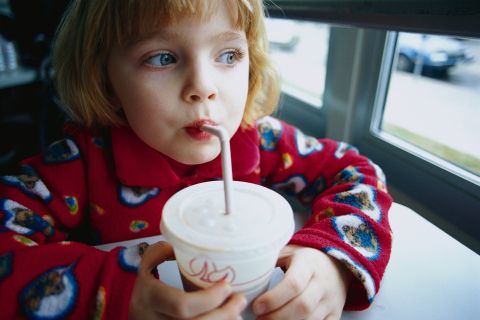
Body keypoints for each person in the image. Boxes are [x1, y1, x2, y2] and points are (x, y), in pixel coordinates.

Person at [0, 0, 393, 319]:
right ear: (107, 81)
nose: (203, 88)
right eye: (162, 58)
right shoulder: (77, 165)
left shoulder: (259, 140)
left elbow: (358, 172)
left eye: (228, 54)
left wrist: (334, 259)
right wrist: (117, 295)